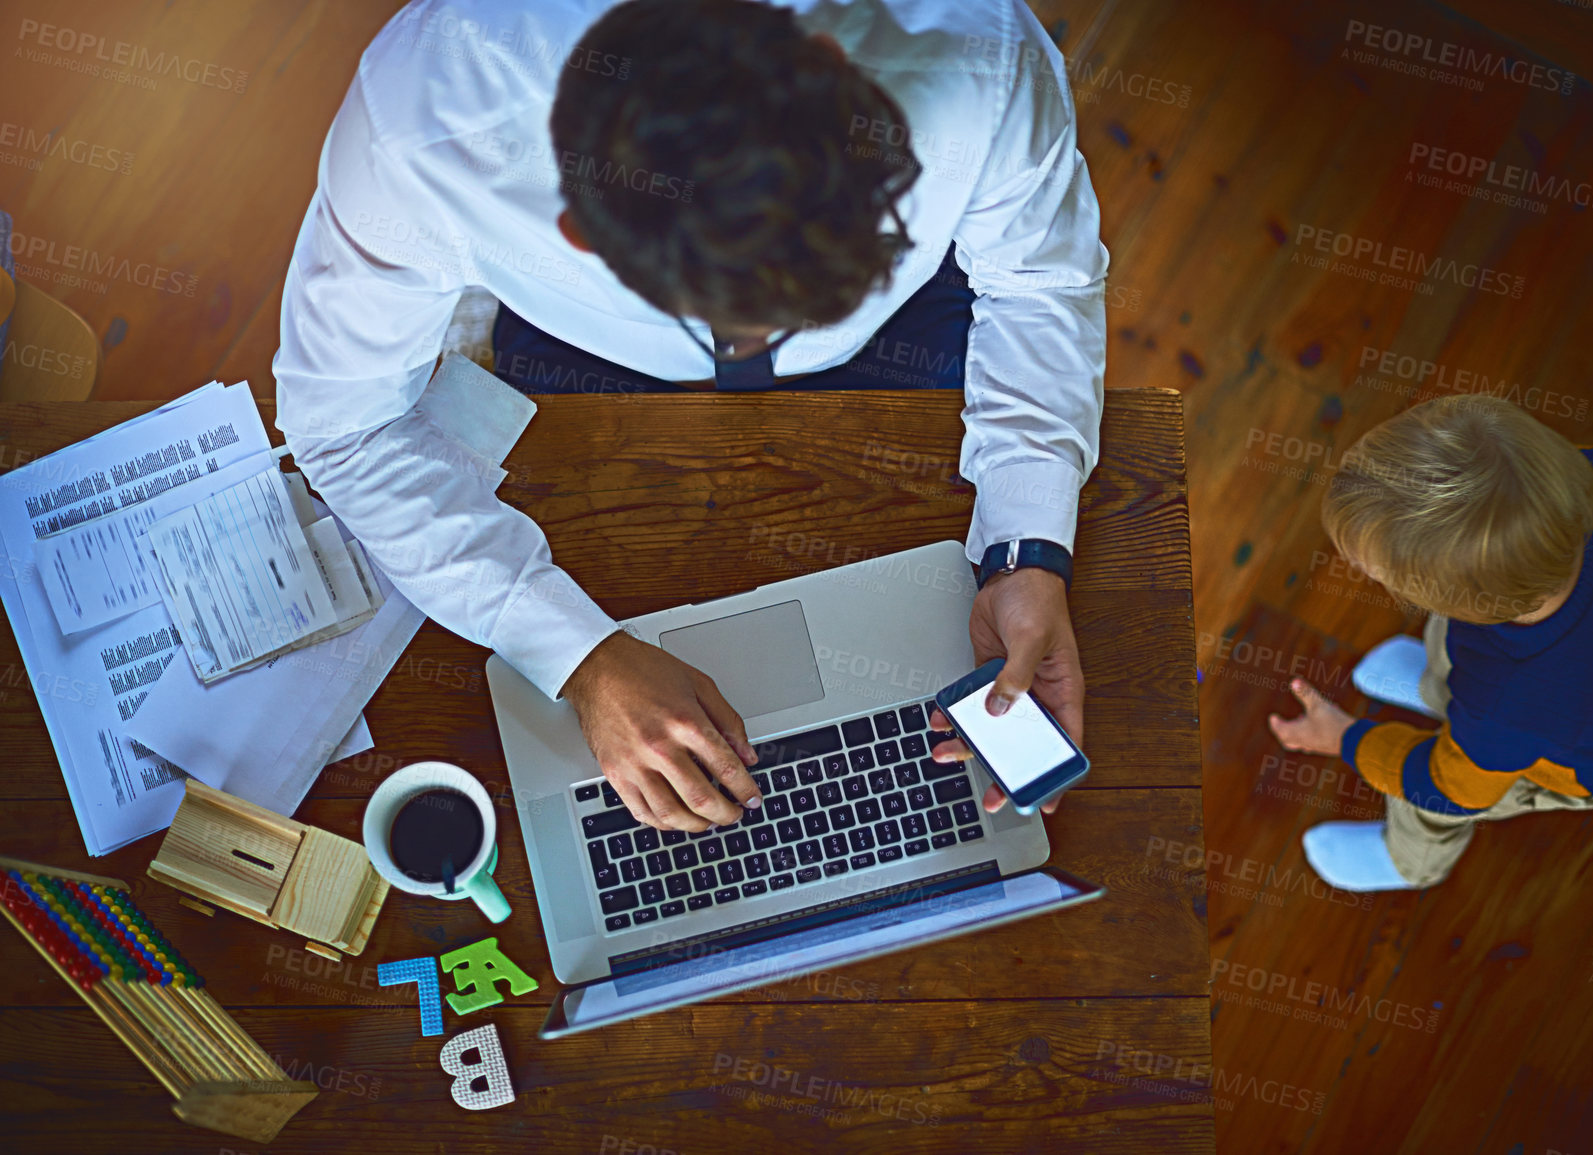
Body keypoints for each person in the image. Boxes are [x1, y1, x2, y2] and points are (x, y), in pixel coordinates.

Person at [273, 0, 1107, 831]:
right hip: (595, 361)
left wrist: (1023, 547)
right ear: (578, 233)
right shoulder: (422, 123)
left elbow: (1041, 282)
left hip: (899, 334)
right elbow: (341, 425)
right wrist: (578, 654)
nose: (763, 349)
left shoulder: (977, 47)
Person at [1267, 396, 1593, 890]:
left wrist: (1346, 738)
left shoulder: (1508, 704)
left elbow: (1450, 788)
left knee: (1430, 797)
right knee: (1454, 650)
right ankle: (1440, 692)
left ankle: (1410, 862)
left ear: (1468, 600)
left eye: (1376, 574)